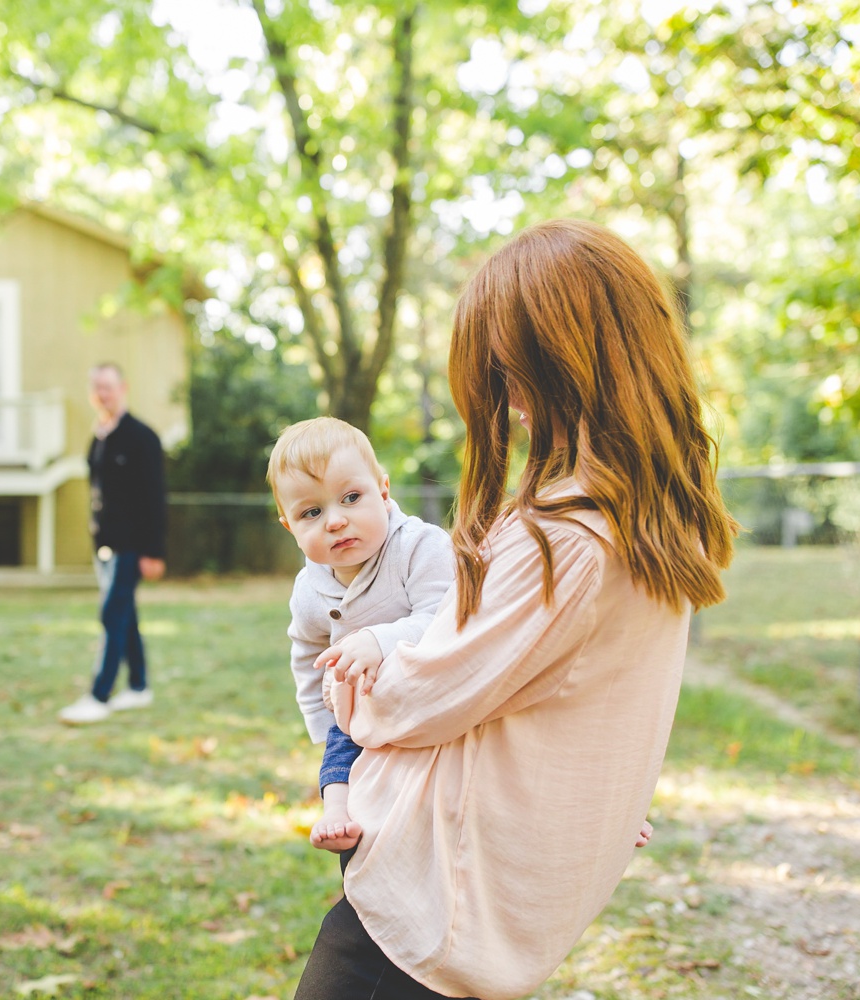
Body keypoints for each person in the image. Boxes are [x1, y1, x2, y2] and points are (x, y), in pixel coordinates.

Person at [293, 219, 736, 1000]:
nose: (512, 404)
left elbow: (412, 701)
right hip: (489, 891)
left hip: (431, 899)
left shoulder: (565, 536)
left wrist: (350, 676)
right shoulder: (658, 524)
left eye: (516, 373)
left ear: (575, 366)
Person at [267, 416, 454, 853]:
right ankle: (337, 812)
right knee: (339, 751)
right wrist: (322, 720)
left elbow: (447, 618)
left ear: (384, 492)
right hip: (360, 710)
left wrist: (380, 640)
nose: (335, 521)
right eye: (311, 512)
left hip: (437, 694)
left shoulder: (419, 547)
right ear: (289, 527)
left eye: (351, 498)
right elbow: (308, 653)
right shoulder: (309, 590)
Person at [58, 363, 168, 725]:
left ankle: (98, 695)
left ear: (123, 388)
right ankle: (138, 687)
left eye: (108, 387)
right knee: (125, 616)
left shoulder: (142, 437)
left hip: (131, 545)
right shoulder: (99, 437)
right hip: (103, 546)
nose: (102, 394)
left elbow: (154, 498)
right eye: (97, 388)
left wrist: (154, 552)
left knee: (111, 615)